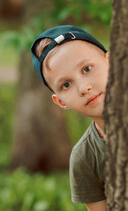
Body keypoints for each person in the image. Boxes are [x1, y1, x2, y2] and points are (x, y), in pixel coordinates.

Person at [30, 25, 110, 211]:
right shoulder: (84, 158)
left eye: (87, 69)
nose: (83, 88)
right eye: (66, 85)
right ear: (60, 102)